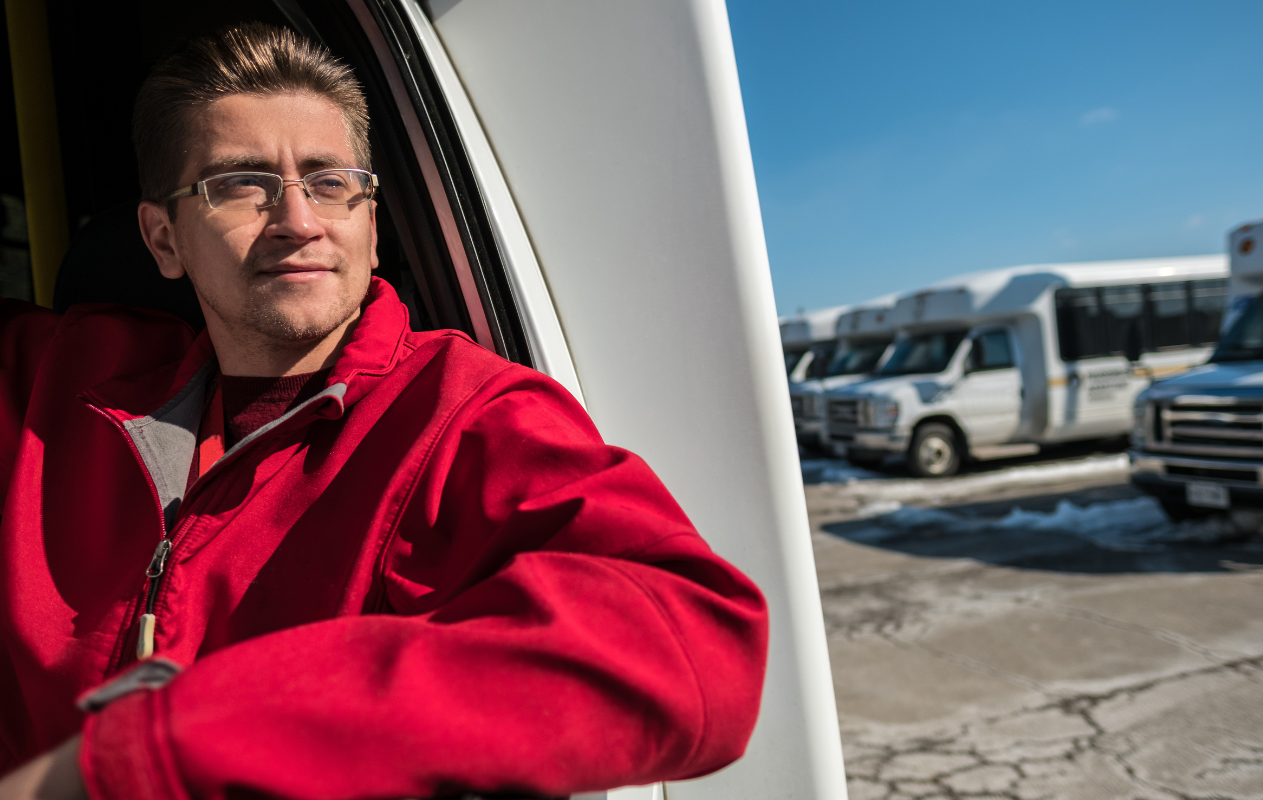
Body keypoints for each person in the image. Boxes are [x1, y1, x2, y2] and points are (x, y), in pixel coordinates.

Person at [0, 23, 767, 800]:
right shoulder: (61, 381)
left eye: (331, 183)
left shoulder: (460, 412)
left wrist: (148, 753)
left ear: (370, 225)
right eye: (240, 185)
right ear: (164, 240)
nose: (299, 220)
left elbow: (694, 637)